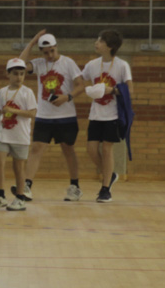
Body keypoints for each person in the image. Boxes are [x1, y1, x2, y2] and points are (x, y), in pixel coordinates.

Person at [18, 31, 86, 201]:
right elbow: (19, 65)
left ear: (56, 48)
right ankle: (26, 185)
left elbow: (80, 85)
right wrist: (32, 41)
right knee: (36, 148)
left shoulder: (68, 63)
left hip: (66, 116)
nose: (49, 55)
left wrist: (67, 97)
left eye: (51, 51)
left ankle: (75, 186)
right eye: (45, 52)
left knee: (68, 149)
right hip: (44, 116)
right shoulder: (39, 63)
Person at [80, 30, 132, 203]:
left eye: (100, 41)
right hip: (96, 114)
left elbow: (129, 90)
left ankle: (105, 188)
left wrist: (113, 90)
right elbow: (79, 80)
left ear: (109, 46)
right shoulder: (92, 65)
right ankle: (111, 175)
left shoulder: (122, 65)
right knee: (91, 149)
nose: (96, 43)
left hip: (113, 114)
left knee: (107, 149)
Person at [0, 58, 37, 211]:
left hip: (20, 136)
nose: (19, 77)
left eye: (22, 74)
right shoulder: (2, 92)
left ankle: (20, 197)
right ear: (8, 74)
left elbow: (32, 113)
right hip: (3, 134)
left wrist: (14, 111)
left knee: (18, 168)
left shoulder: (27, 92)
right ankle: (0, 195)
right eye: (15, 74)